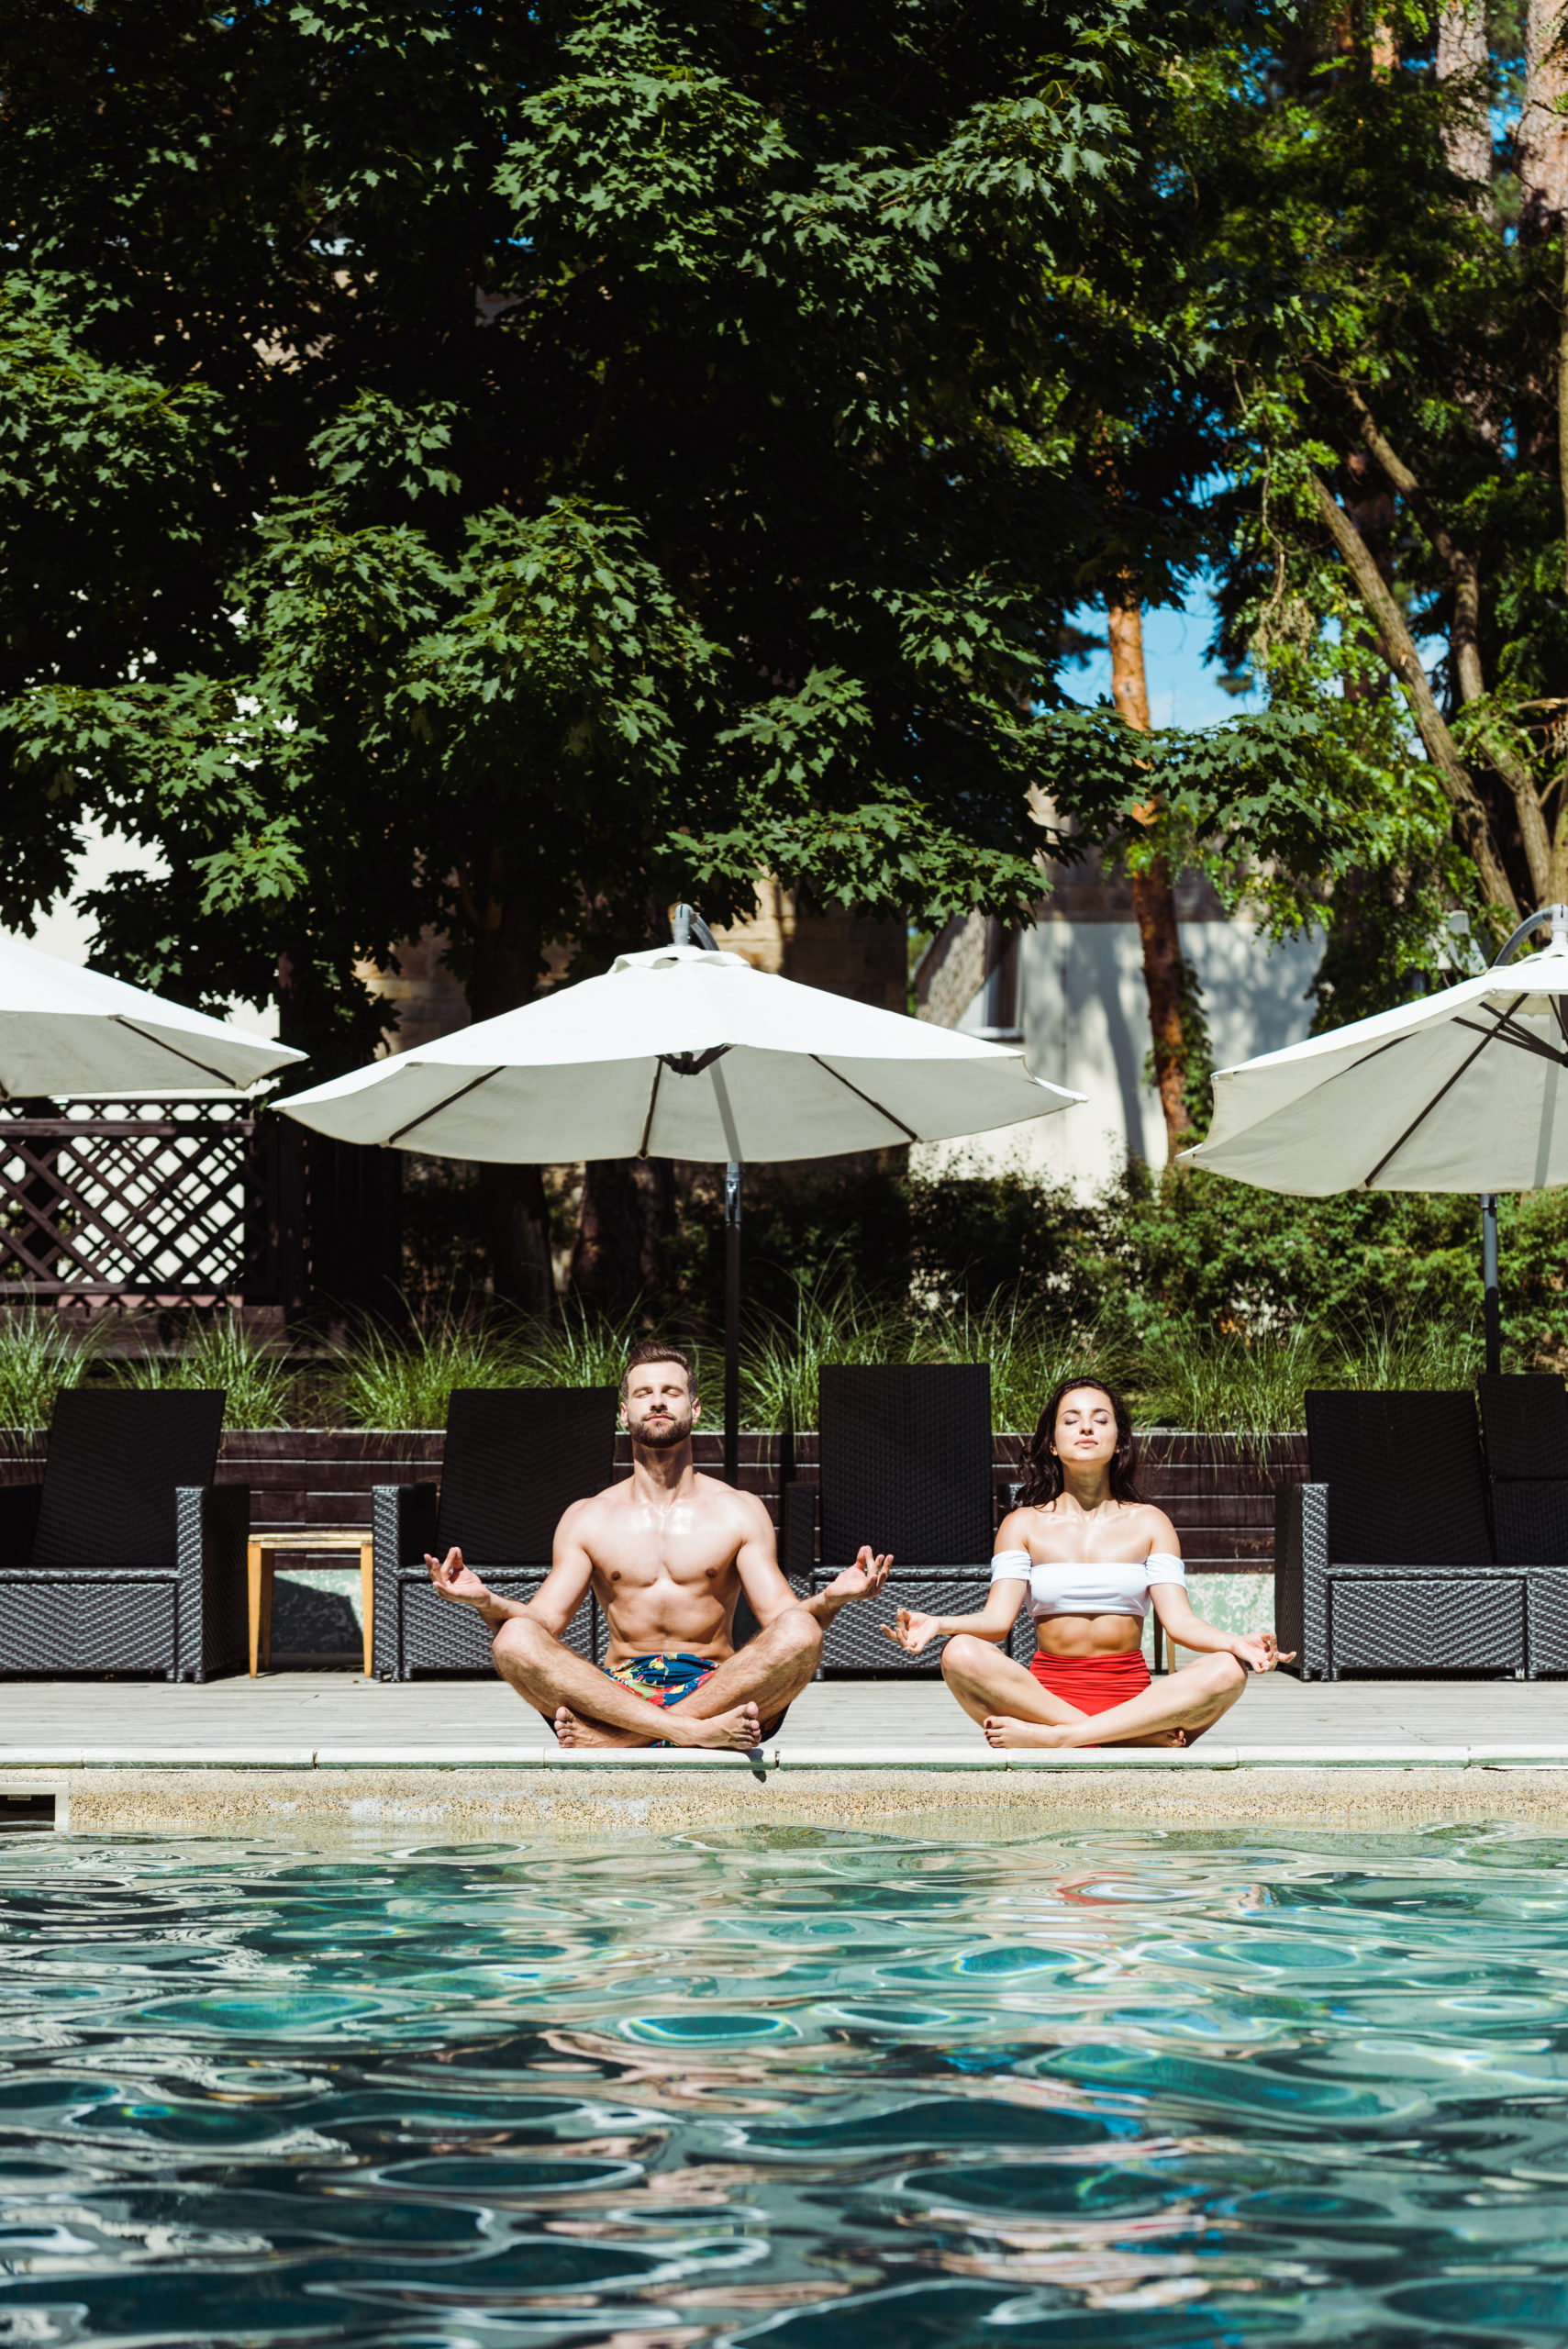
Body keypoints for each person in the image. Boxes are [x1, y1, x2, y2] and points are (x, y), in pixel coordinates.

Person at [426, 1341, 892, 1751]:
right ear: (625, 1413)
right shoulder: (588, 1516)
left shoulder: (738, 1510)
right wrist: (485, 1601)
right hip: (618, 1692)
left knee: (801, 1633)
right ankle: (685, 1732)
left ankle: (628, 1738)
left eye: (671, 1392)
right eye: (643, 1393)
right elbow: (545, 1624)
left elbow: (782, 1623)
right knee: (513, 1638)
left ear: (694, 1408)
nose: (657, 1402)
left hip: (716, 1688)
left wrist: (833, 1600)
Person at [883, 1375, 1291, 1747]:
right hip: (1043, 1699)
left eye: (1100, 1419)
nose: (1086, 1427)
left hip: (1135, 1699)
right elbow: (996, 1623)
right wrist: (939, 1625)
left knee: (1227, 1670)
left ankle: (1064, 1739)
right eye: (1072, 1419)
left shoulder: (1150, 1522)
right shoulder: (1022, 1524)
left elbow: (1180, 1623)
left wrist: (1234, 1642)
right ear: (1053, 1444)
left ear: (1118, 1441)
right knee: (959, 1653)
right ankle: (1124, 1741)